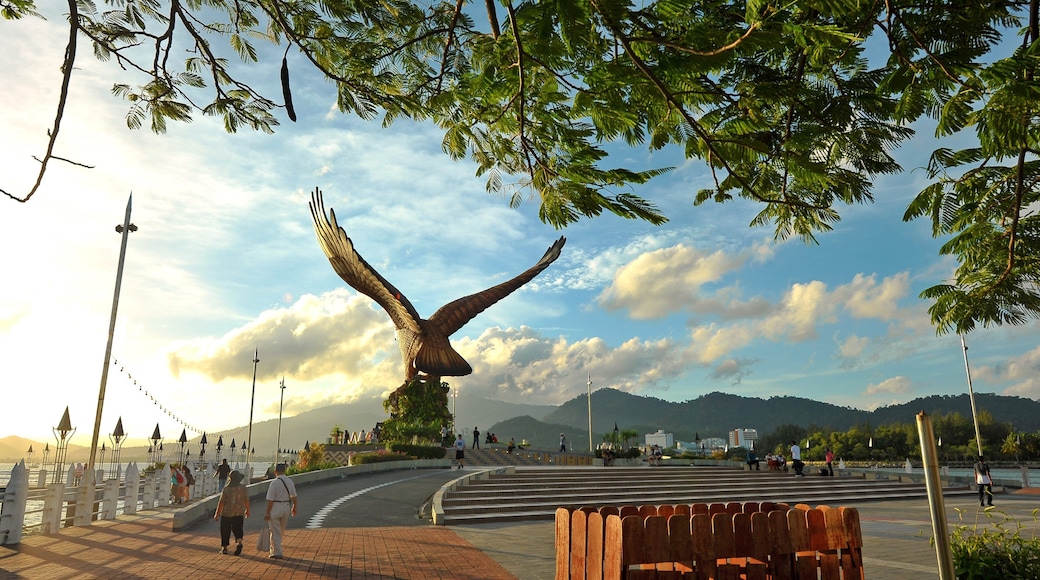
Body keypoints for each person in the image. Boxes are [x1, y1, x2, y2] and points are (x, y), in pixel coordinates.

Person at [264, 463, 298, 559]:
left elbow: (270, 500)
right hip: (286, 506)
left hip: (276, 506)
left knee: (274, 530)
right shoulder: (289, 481)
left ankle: (276, 552)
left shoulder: (274, 483)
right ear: (284, 470)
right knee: (280, 530)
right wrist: (294, 507)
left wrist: (267, 512)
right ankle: (275, 549)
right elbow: (294, 496)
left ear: (275, 472)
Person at [213, 470, 249, 555]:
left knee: (225, 530)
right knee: (238, 529)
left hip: (227, 513)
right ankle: (239, 542)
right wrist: (248, 510)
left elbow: (221, 502)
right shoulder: (243, 488)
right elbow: (246, 500)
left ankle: (224, 548)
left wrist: (217, 514)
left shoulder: (226, 489)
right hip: (239, 512)